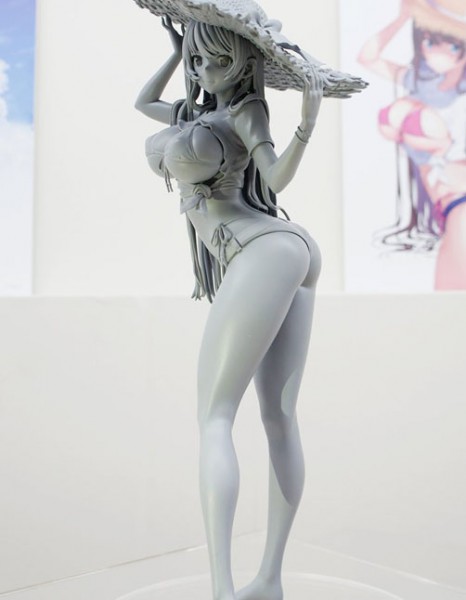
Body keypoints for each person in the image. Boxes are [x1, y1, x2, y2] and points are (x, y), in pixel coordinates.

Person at [134, 1, 366, 598]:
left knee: (216, 418)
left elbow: (278, 178)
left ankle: (223, 590)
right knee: (278, 417)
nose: (207, 71)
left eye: (220, 60)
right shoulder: (197, 111)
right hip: (285, 250)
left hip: (261, 249)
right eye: (199, 60)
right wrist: (175, 52)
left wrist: (306, 123)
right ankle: (268, 582)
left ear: (246, 64)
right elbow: (142, 104)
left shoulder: (245, 111)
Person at [358, 0, 466, 289]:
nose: (437, 53)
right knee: (450, 295)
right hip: (442, 196)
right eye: (430, 41)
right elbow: (367, 57)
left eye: (451, 45)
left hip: (456, 192)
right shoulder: (418, 80)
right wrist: (401, 19)